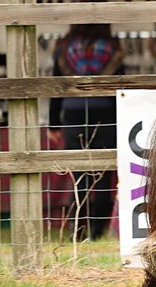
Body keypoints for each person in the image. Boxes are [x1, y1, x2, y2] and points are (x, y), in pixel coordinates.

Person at [50, 24, 124, 240]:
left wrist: (54, 123)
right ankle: (98, 231)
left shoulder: (65, 49)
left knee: (78, 174)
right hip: (106, 115)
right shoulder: (112, 49)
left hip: (73, 114)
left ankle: (77, 230)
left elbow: (55, 87)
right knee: (104, 175)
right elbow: (121, 86)